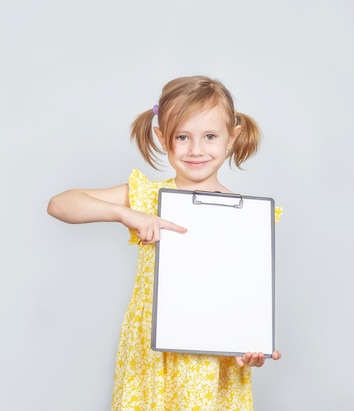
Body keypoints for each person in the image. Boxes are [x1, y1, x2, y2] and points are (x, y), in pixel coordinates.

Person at [47, 75, 282, 410]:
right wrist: (126, 214)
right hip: (152, 356)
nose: (196, 149)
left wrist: (252, 345)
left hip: (215, 363)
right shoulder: (148, 196)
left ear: (232, 137)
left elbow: (247, 293)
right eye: (182, 137)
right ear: (162, 137)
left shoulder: (248, 215)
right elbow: (60, 204)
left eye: (210, 136)